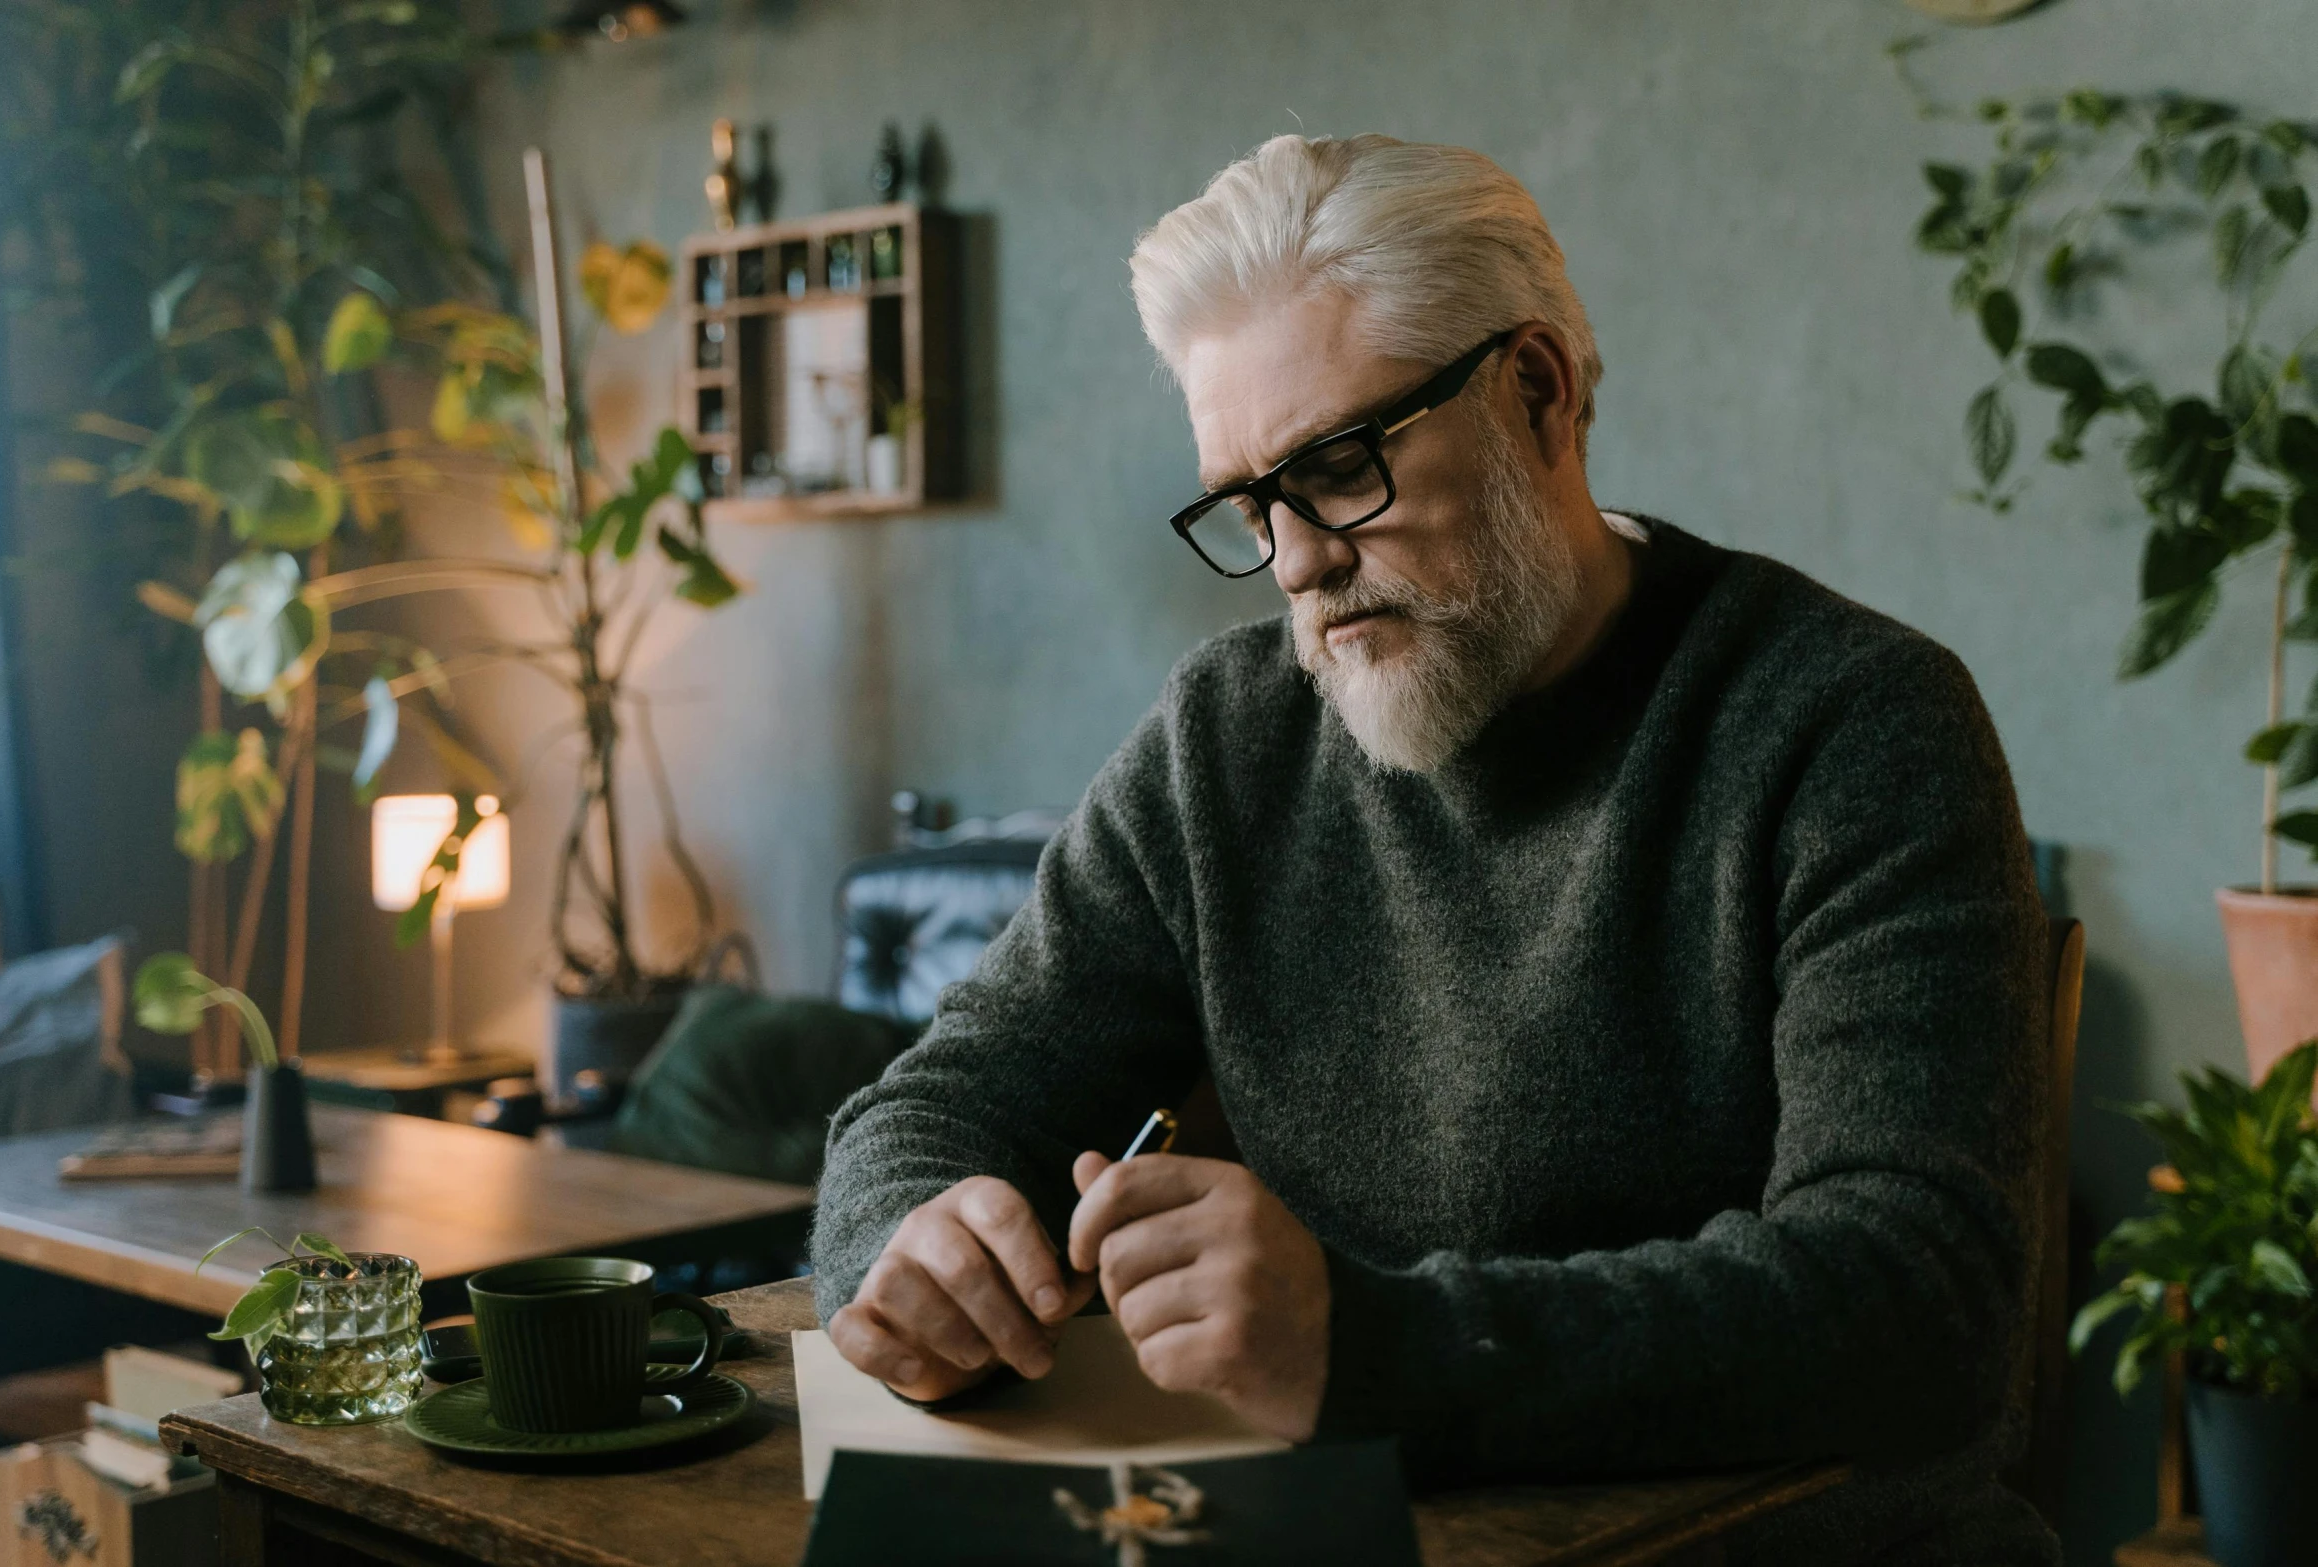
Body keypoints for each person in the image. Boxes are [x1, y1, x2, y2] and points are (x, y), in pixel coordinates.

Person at [813, 133, 2053, 1565]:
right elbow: (934, 1104)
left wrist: (1374, 1347)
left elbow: (1917, 1304)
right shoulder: (1227, 735)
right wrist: (909, 1244)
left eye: (1339, 465)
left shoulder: (1849, 720)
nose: (1294, 560)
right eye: (1247, 501)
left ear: (1538, 391)